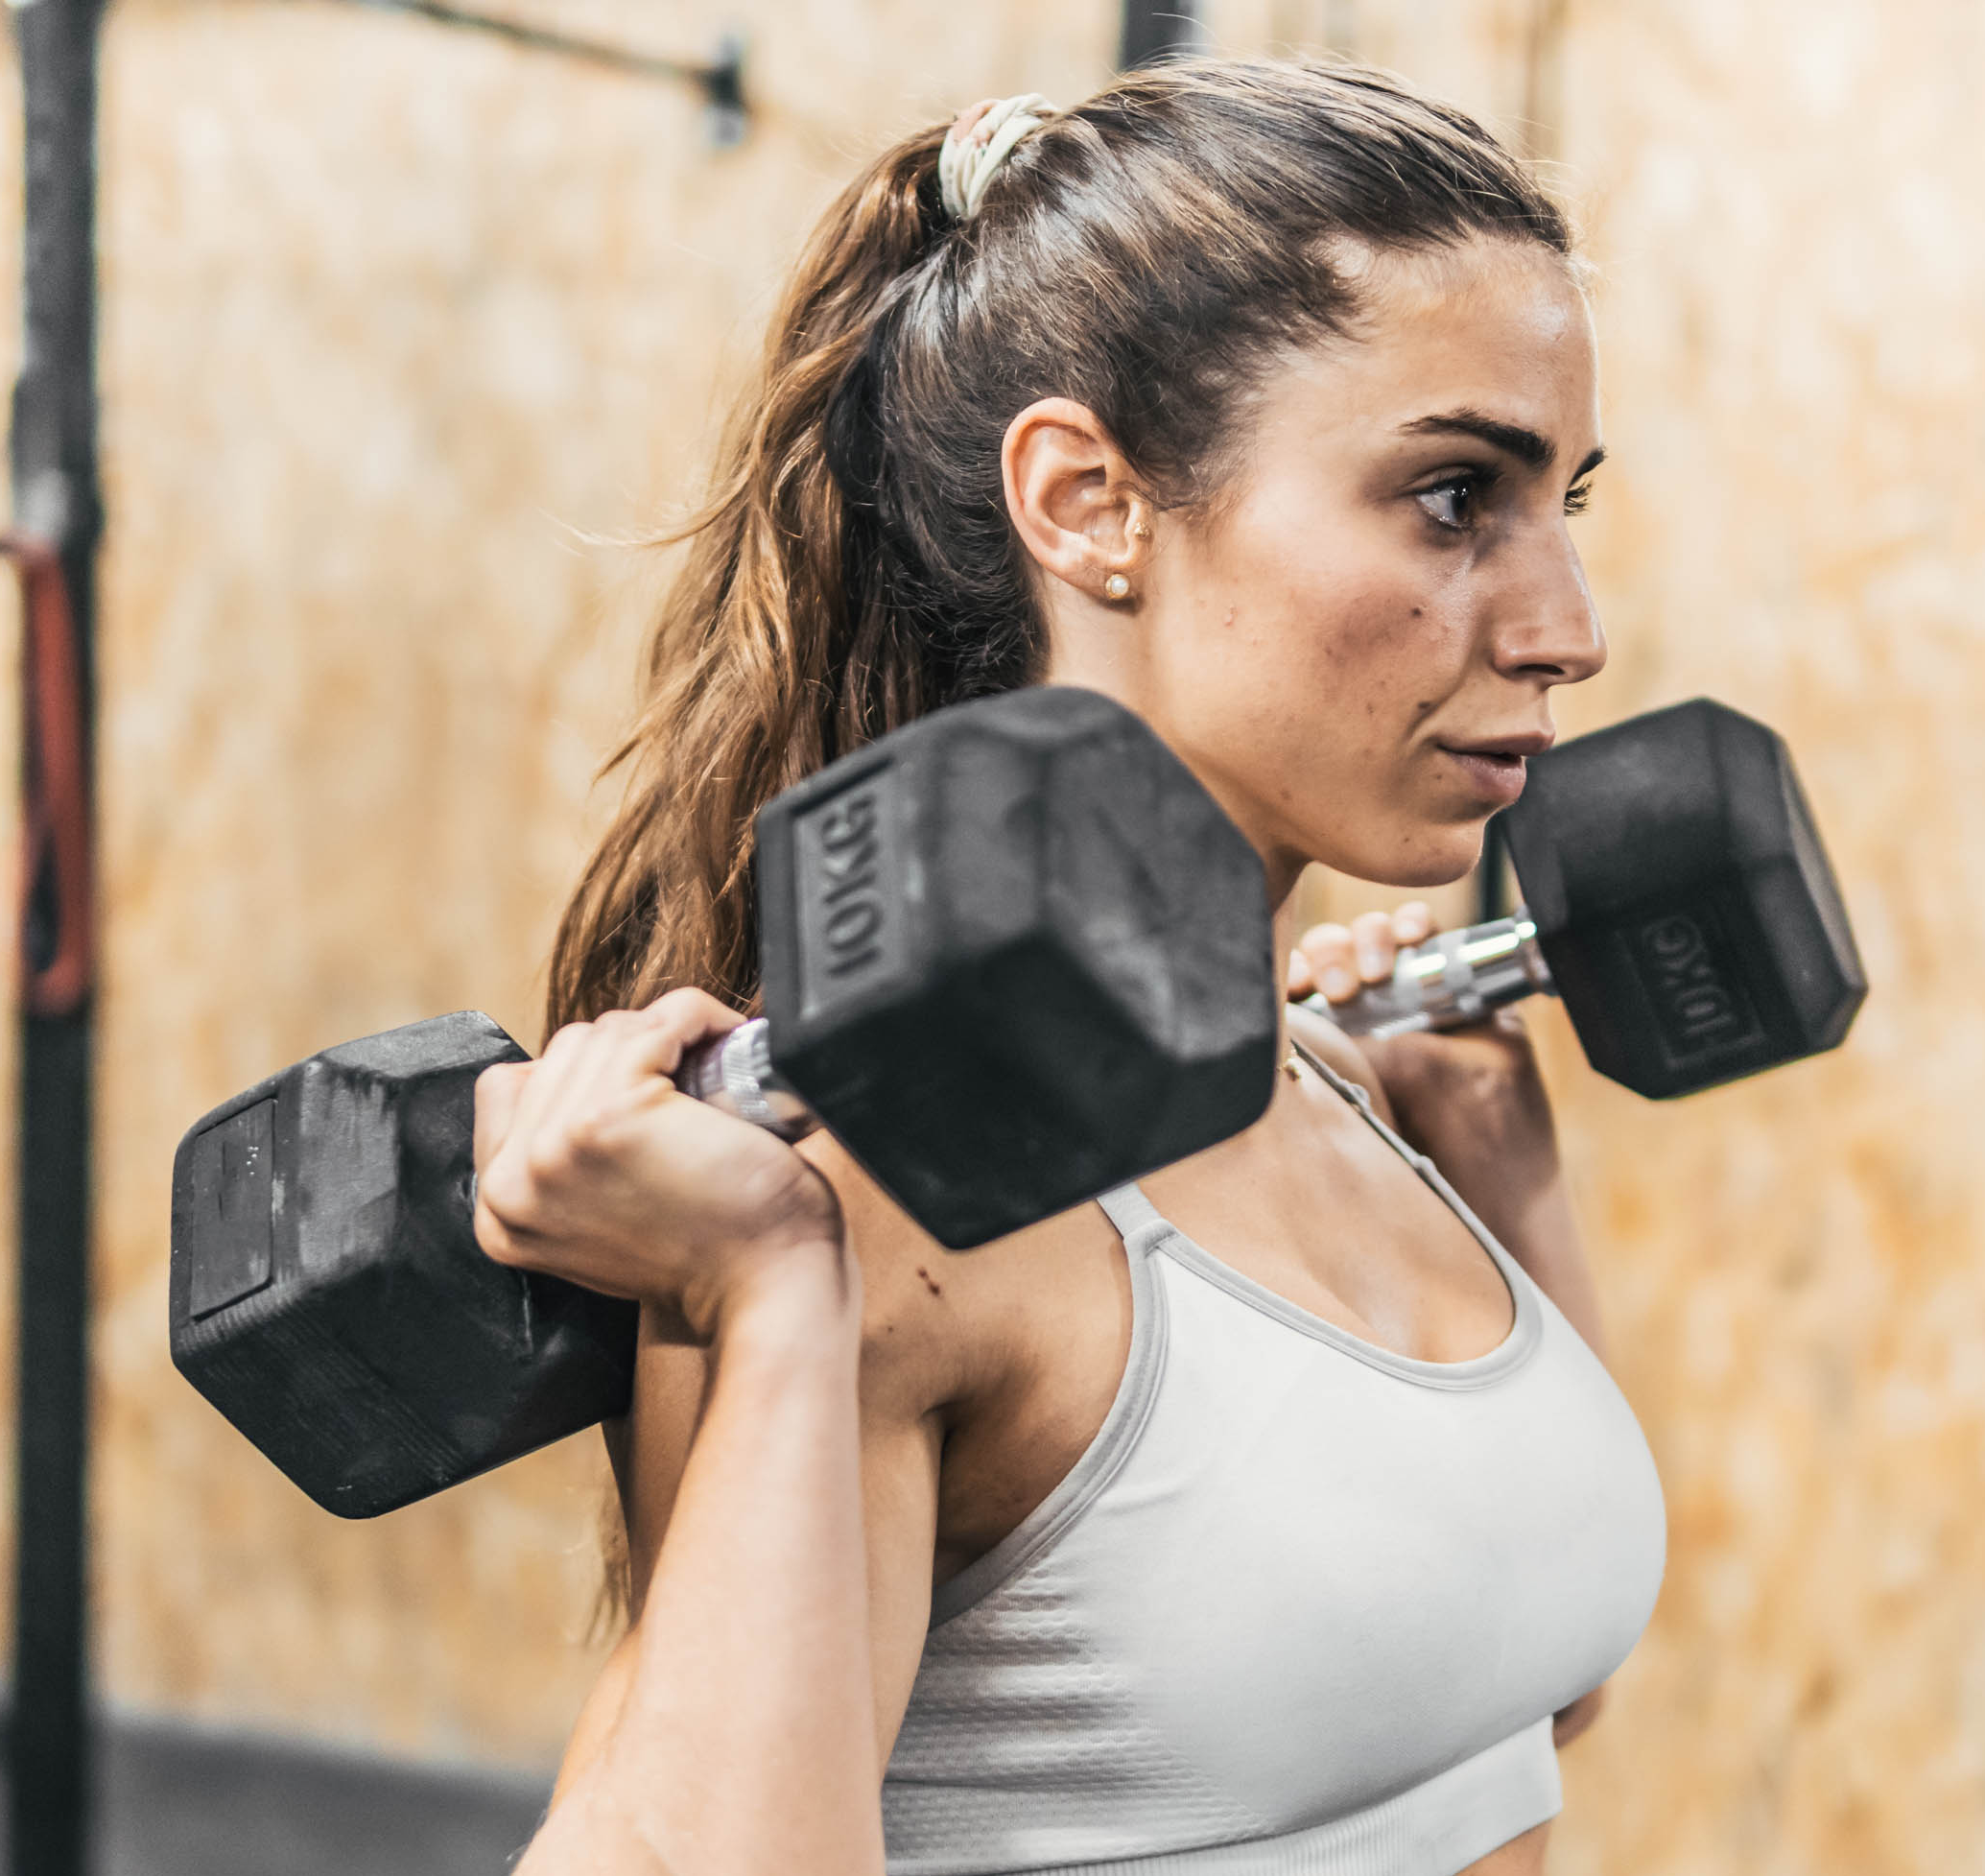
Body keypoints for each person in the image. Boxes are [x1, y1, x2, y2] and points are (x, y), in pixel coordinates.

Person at [475, 58, 1666, 1875]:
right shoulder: (872, 1183)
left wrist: (1506, 1174)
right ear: (1091, 503)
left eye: (1560, 503)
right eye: (1449, 500)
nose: (1567, 626)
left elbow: (1511, 1682)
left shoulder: (1342, 1086)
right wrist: (772, 1299)